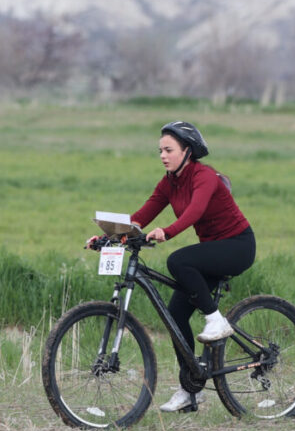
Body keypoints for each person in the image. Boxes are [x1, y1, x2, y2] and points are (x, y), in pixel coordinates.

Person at [91, 121, 255, 413]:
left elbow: (196, 211)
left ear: (187, 152)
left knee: (178, 260)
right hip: (210, 251)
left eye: (169, 150)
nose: (163, 156)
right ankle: (190, 389)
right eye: (160, 151)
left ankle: (216, 320)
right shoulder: (169, 182)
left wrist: (168, 232)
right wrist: (107, 237)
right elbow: (140, 217)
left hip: (237, 246)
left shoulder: (204, 176)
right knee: (175, 314)